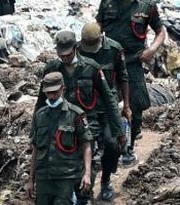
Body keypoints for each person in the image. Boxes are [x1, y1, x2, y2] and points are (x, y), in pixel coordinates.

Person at [35, 31, 125, 205]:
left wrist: (118, 130)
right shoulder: (52, 70)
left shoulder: (91, 68)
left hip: (87, 123)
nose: (64, 58)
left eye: (68, 54)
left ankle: (85, 196)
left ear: (75, 48)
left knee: (86, 164)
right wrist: (36, 131)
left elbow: (109, 100)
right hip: (59, 124)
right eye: (61, 55)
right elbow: (41, 102)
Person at [96, 0, 166, 166]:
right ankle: (103, 147)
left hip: (133, 61)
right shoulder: (107, 2)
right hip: (109, 62)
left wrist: (152, 50)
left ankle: (130, 146)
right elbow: (98, 26)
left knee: (135, 104)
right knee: (104, 103)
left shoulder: (146, 6)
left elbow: (161, 31)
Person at [78, 22, 130, 202]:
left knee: (112, 144)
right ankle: (86, 190)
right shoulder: (78, 51)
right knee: (87, 148)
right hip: (87, 106)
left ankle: (106, 179)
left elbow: (123, 77)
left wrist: (127, 106)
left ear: (101, 37)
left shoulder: (114, 50)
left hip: (109, 107)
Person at [28, 72, 93, 205]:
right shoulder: (39, 115)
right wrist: (30, 179)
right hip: (43, 178)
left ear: (63, 89)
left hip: (65, 177)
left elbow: (86, 145)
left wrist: (87, 174)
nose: (51, 96)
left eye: (55, 92)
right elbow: (35, 149)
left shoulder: (75, 114)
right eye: (48, 93)